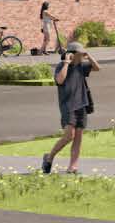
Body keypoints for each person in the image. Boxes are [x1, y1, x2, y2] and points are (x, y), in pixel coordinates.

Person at [40, 40, 98, 175]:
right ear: (71, 54)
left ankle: (73, 166)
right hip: (68, 106)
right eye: (79, 54)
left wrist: (88, 56)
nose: (81, 57)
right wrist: (66, 62)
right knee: (68, 136)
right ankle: (49, 157)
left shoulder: (82, 67)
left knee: (78, 137)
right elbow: (60, 80)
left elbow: (97, 68)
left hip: (82, 105)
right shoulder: (61, 66)